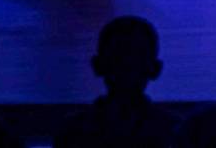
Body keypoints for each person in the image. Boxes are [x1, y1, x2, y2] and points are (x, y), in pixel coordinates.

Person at [54, 16, 178, 148]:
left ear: (97, 65)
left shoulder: (73, 130)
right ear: (155, 69)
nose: (127, 64)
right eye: (118, 56)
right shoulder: (173, 130)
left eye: (136, 57)